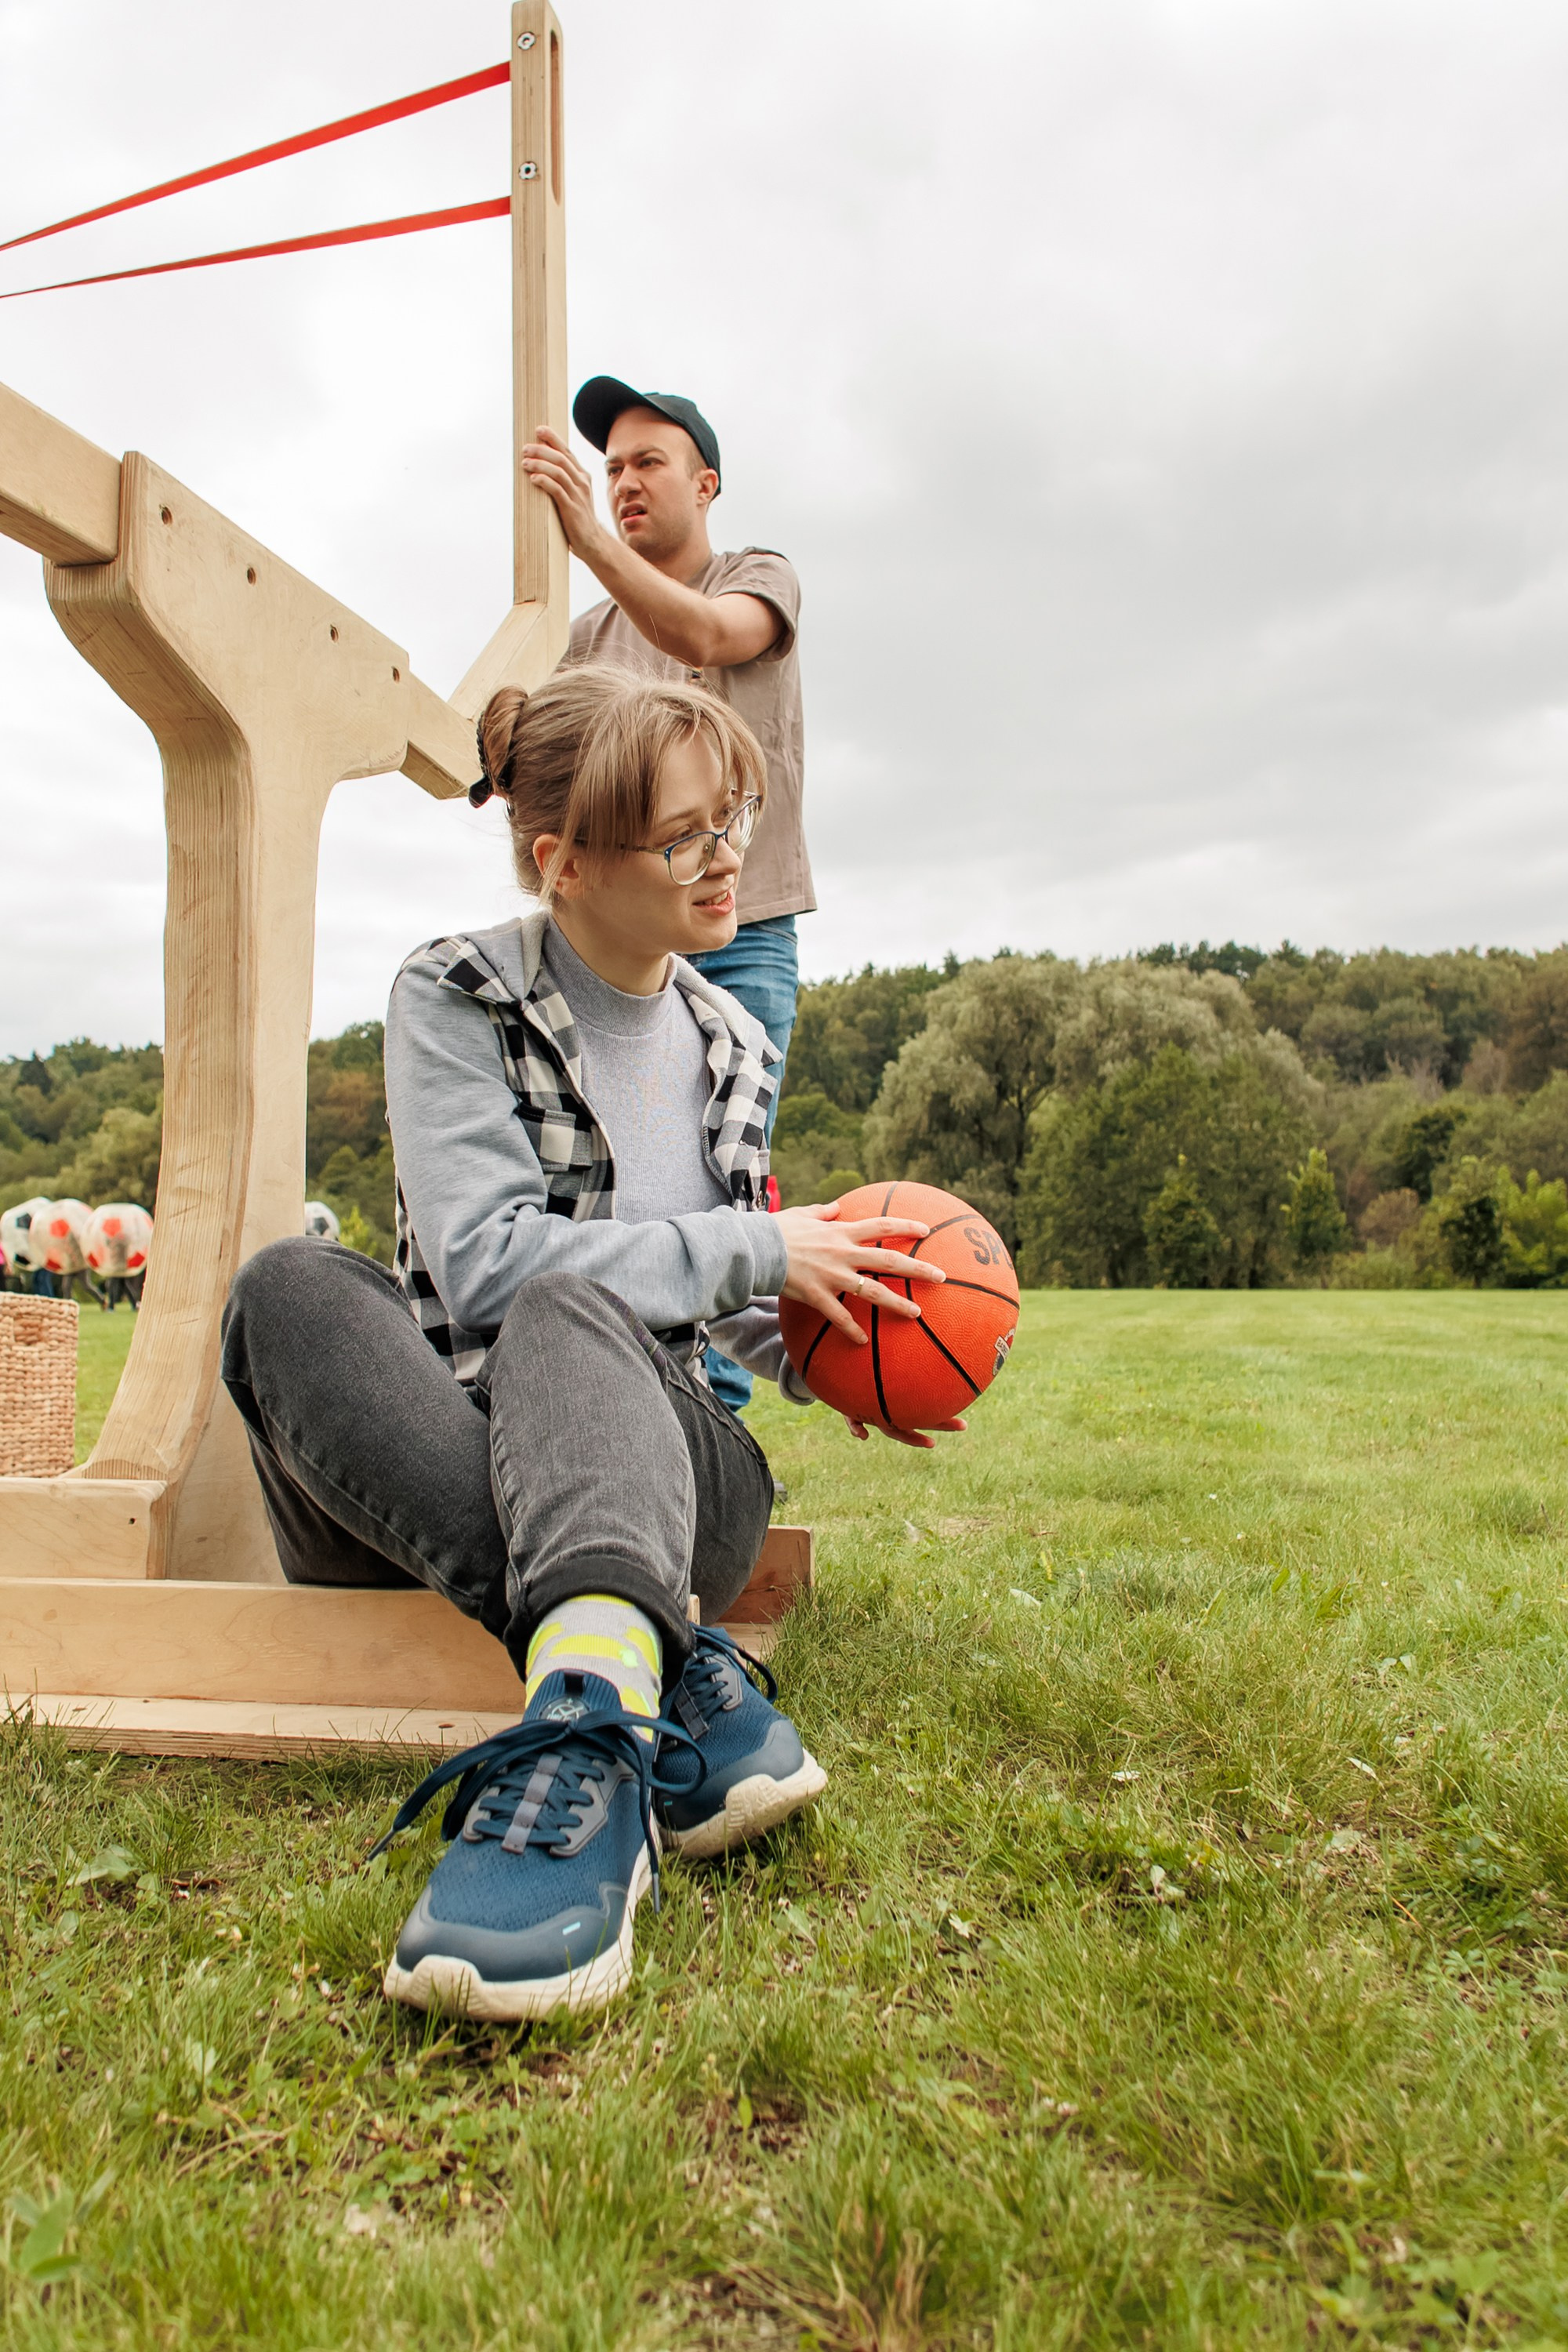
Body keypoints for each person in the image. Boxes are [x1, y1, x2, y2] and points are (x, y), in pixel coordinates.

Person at [220, 667, 958, 2025]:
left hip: (665, 1482)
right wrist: (757, 1249)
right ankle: (657, 1662)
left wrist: (825, 1349)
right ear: (563, 863)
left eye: (733, 820)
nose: (727, 859)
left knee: (579, 1310)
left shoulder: (733, 1041)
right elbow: (488, 1263)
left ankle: (585, 1735)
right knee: (289, 1288)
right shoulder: (455, 991)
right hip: (431, 1469)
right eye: (683, 838)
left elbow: (720, 1287)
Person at [521, 379, 811, 1413]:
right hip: (614, 947)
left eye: (648, 462)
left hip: (740, 937)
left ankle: (711, 1425)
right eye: (610, 469)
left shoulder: (758, 578)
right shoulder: (588, 639)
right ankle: (615, 1403)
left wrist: (588, 540)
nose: (623, 483)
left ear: (707, 482)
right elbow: (540, 762)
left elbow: (703, 638)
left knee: (718, 1177)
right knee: (617, 1176)